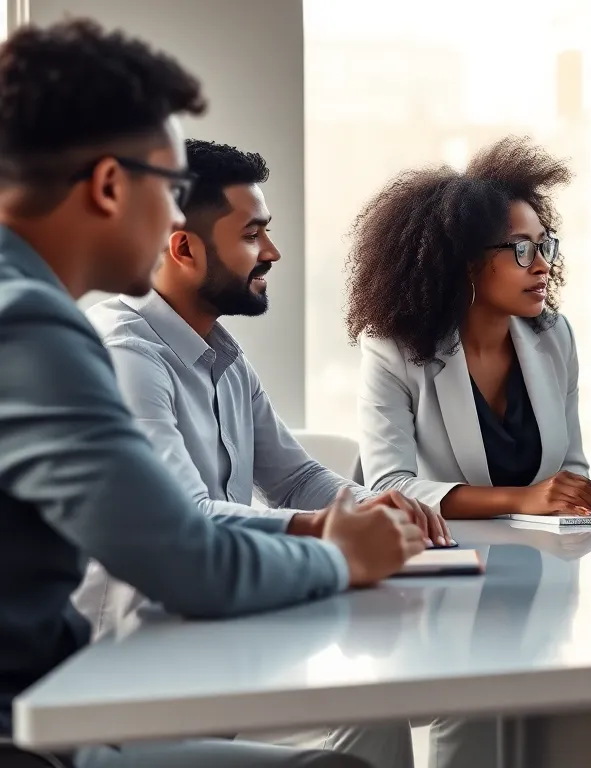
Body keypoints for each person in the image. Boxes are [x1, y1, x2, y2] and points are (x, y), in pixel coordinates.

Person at [0, 18, 424, 768]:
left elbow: (275, 482)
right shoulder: (36, 328)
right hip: (43, 729)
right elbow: (192, 558)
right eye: (168, 192)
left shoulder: (33, 311)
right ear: (108, 186)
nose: (172, 216)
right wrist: (339, 555)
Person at [79, 139, 449, 768]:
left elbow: (295, 476)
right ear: (183, 246)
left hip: (219, 637)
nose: (272, 252)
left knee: (373, 714)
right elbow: (187, 516)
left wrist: (370, 506)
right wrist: (332, 531)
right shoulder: (127, 353)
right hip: (136, 674)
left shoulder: (221, 354)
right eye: (253, 234)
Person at [347, 136, 591, 767]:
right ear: (466, 263)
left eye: (546, 245)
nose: (542, 263)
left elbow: (570, 467)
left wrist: (577, 503)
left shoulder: (553, 336)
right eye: (521, 249)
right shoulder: (394, 347)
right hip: (439, 583)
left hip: (541, 577)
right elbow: (392, 484)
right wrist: (524, 500)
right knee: (468, 714)